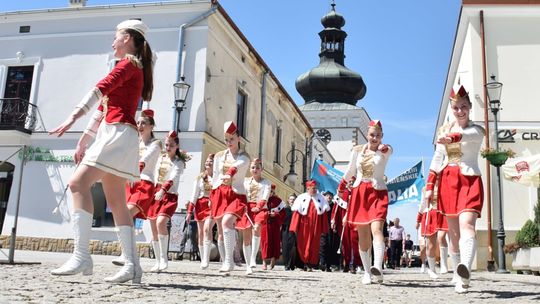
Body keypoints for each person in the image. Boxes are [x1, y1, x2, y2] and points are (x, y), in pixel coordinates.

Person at [49, 19, 153, 284]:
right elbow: (102, 109)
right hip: (116, 133)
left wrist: (71, 118)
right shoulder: (133, 67)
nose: (112, 42)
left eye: (115, 37)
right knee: (117, 202)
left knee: (76, 184)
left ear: (128, 38)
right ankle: (132, 266)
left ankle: (82, 255)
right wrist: (83, 140)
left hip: (117, 134)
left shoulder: (128, 65)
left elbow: (99, 90)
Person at [424, 85, 485, 293]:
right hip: (448, 182)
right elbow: (437, 159)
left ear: (469, 108)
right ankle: (459, 275)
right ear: (452, 109)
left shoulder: (476, 130)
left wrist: (452, 138)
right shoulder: (444, 131)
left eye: (464, 107)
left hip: (469, 180)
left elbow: (467, 137)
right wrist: (429, 187)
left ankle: (465, 271)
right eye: (457, 107)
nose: (460, 111)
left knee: (467, 224)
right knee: (453, 233)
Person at [338, 119, 392, 284]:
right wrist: (341, 188)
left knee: (377, 229)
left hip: (377, 193)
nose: (374, 138)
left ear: (382, 136)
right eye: (371, 135)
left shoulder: (385, 150)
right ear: (367, 135)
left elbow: (389, 150)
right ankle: (367, 272)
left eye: (377, 135)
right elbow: (350, 170)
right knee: (363, 237)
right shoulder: (357, 151)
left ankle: (377, 266)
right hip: (360, 193)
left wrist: (384, 148)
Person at [112, 108, 162, 267]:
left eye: (144, 123)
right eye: (138, 123)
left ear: (151, 126)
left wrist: (134, 171)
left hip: (144, 183)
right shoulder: (134, 142)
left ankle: (126, 254)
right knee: (123, 217)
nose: (140, 126)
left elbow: (145, 160)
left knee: (126, 214)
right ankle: (129, 255)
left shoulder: (156, 144)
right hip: (130, 182)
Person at [210, 121, 250, 274]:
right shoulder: (220, 156)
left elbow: (238, 166)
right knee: (220, 229)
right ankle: (225, 260)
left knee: (227, 222)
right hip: (219, 192)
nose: (229, 142)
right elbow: (215, 176)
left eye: (232, 139)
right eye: (226, 139)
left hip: (236, 194)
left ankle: (230, 261)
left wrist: (229, 174)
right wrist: (211, 196)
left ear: (238, 138)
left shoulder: (244, 156)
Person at [146, 130, 187, 271]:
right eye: (166, 144)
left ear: (176, 146)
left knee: (160, 222)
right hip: (155, 194)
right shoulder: (160, 158)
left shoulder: (179, 162)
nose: (167, 147)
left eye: (170, 145)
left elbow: (173, 177)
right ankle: (157, 261)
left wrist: (163, 190)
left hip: (169, 195)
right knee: (153, 229)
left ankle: (164, 258)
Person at [236, 158, 271, 275]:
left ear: (261, 169)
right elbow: (240, 193)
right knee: (246, 238)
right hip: (247, 208)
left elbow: (265, 196)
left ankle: (253, 258)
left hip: (260, 209)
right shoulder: (245, 181)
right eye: (252, 167)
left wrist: (259, 206)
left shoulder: (266, 182)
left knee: (256, 228)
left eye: (257, 167)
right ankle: (248, 265)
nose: (255, 169)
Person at [290, 180, 330, 271]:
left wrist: (324, 227)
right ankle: (304, 262)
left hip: (316, 226)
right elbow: (296, 213)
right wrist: (294, 226)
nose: (315, 190)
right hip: (304, 225)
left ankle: (310, 263)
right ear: (308, 188)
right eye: (313, 188)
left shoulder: (321, 198)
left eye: (316, 188)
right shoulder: (301, 197)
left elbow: (323, 214)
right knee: (303, 243)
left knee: (314, 245)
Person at [186, 154, 215, 270]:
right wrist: (189, 212)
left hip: (212, 206)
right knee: (201, 232)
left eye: (211, 161)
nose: (208, 163)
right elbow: (194, 195)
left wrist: (213, 200)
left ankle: (206, 259)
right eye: (207, 161)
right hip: (200, 206)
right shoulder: (200, 178)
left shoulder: (217, 177)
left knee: (208, 228)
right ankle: (203, 258)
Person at [331, 177, 361, 273]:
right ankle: (346, 264)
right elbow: (335, 210)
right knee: (345, 244)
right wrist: (333, 220)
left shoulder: (358, 193)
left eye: (353, 182)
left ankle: (353, 264)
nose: (351, 183)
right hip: (343, 224)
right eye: (350, 182)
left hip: (355, 223)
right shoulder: (342, 194)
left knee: (354, 244)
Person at [260, 184, 286, 270]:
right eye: (268, 191)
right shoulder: (262, 200)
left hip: (275, 225)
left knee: (274, 243)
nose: (269, 193)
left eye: (271, 191)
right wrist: (265, 214)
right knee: (265, 243)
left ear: (273, 192)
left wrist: (276, 215)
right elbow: (259, 212)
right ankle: (264, 262)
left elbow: (283, 214)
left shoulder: (278, 201)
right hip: (265, 224)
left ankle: (273, 260)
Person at [416, 188, 440, 279]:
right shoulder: (425, 188)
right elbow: (422, 204)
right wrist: (418, 219)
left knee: (441, 239)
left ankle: (444, 265)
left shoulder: (446, 183)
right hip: (430, 214)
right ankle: (431, 268)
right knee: (429, 244)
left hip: (443, 213)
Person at [281, 194, 296, 270]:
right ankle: (286, 264)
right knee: (285, 247)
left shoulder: (297, 210)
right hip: (285, 229)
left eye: (294, 199)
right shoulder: (285, 209)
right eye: (291, 199)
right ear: (288, 200)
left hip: (294, 230)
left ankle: (292, 264)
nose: (292, 201)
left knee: (293, 247)